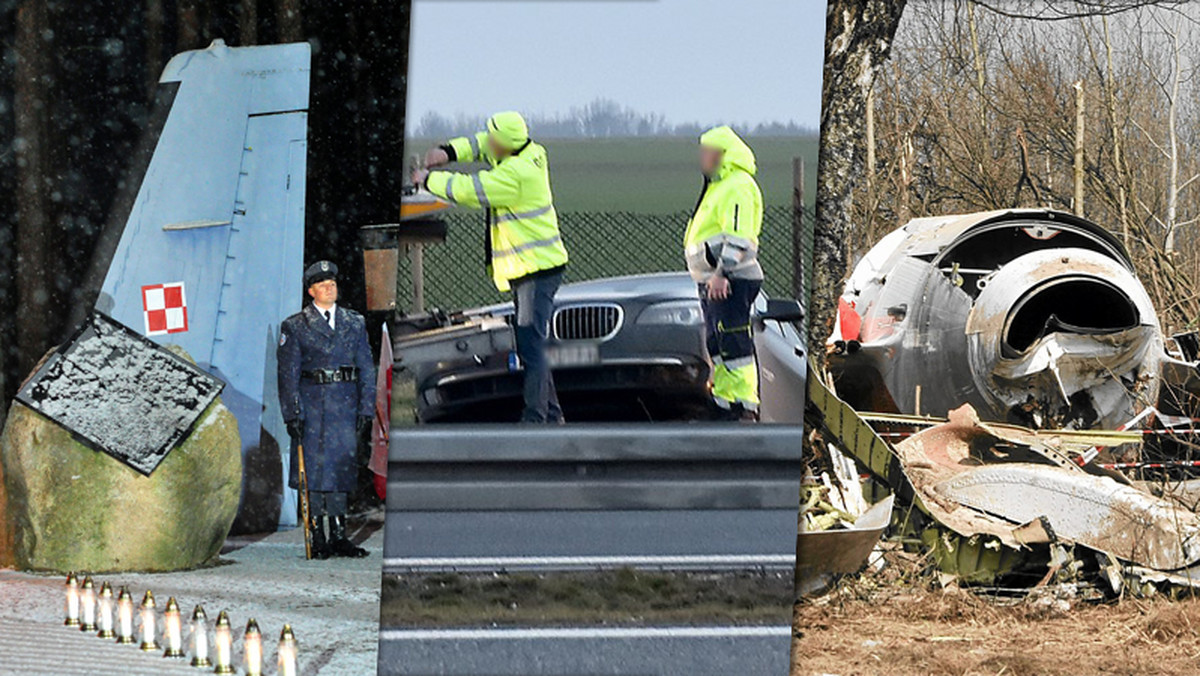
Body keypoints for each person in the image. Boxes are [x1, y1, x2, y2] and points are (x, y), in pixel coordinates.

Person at [412, 111, 569, 423]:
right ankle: (551, 416)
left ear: (505, 145)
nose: (488, 141)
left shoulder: (515, 175)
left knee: (531, 347)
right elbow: (481, 142)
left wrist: (428, 179)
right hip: (537, 269)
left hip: (533, 274)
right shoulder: (530, 150)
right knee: (533, 342)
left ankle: (536, 419)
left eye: (494, 138)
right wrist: (449, 151)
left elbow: (473, 189)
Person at [277, 261, 376, 558]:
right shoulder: (295, 326)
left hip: (344, 404)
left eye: (332, 282)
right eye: (322, 284)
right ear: (311, 291)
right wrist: (292, 414)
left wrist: (366, 407)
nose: (329, 287)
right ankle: (317, 534)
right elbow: (288, 375)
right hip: (314, 405)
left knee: (341, 472)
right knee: (317, 474)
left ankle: (339, 535)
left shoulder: (354, 322)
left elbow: (366, 367)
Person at [683, 126, 764, 421]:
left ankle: (743, 405)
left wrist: (722, 273)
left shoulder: (737, 185)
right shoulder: (720, 185)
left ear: (721, 154)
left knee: (733, 341)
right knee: (718, 342)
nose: (702, 157)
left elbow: (739, 237)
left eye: (707, 151)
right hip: (713, 278)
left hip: (731, 277)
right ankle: (725, 401)